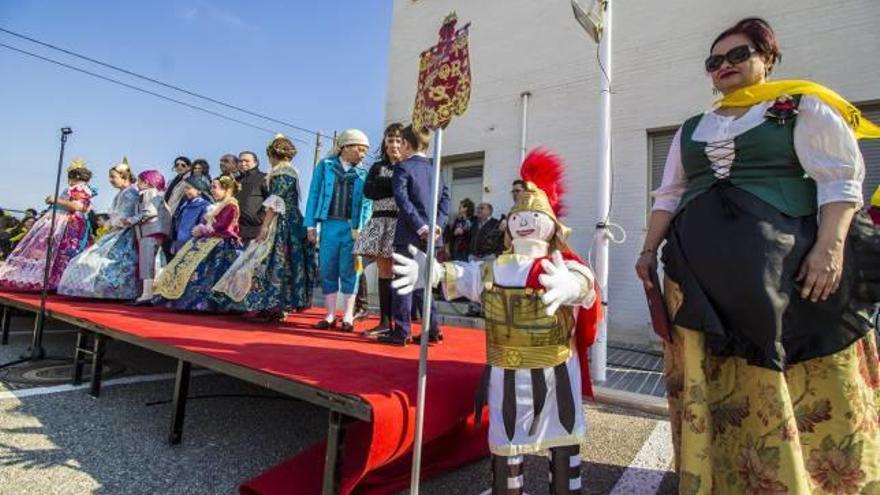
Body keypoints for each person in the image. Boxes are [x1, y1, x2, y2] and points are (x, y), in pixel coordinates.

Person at [634, 18, 880, 493]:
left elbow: (839, 180)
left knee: (793, 369)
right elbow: (668, 196)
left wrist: (829, 250)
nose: (724, 66)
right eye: (714, 61)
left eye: (738, 55)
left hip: (785, 279)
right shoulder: (693, 129)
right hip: (697, 283)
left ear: (767, 59)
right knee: (717, 379)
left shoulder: (801, 105)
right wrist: (647, 252)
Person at [392, 149, 602, 494]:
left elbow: (585, 285)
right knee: (506, 438)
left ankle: (566, 488)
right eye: (519, 214)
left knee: (562, 434)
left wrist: (570, 285)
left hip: (556, 370)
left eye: (534, 214)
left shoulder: (560, 262)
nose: (525, 220)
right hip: (506, 370)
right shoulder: (498, 267)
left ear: (552, 226)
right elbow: (465, 276)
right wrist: (432, 272)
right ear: (510, 225)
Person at [214, 134, 315, 321]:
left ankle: (271, 305)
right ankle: (275, 305)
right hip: (293, 221)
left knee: (269, 261)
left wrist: (265, 226)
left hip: (282, 223)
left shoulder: (281, 172)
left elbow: (275, 202)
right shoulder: (291, 171)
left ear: (272, 155)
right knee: (284, 263)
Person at [378, 125, 449, 346]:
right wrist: (436, 226)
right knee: (425, 285)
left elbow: (402, 199)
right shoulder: (436, 169)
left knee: (404, 283)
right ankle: (433, 330)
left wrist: (420, 226)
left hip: (409, 234)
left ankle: (402, 331)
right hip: (433, 237)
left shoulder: (403, 167)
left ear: (406, 144)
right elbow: (446, 201)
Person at [305, 129, 372, 332]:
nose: (363, 154)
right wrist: (311, 225)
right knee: (328, 268)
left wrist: (361, 227)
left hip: (351, 228)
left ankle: (349, 315)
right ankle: (330, 314)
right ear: (345, 147)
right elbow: (314, 194)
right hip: (329, 225)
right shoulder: (325, 167)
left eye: (365, 151)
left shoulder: (363, 173)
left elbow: (368, 203)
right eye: (360, 149)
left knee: (351, 269)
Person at [0, 160, 95, 291]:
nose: (69, 181)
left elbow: (78, 206)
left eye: (70, 178)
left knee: (58, 250)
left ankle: (55, 280)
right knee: (51, 250)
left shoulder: (79, 188)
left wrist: (55, 200)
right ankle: (51, 278)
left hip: (66, 221)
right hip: (64, 219)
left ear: (76, 177)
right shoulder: (79, 189)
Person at [154, 176, 242, 311]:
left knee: (209, 272)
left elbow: (225, 227)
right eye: (211, 187)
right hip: (209, 241)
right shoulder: (220, 204)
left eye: (215, 187)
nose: (211, 190)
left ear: (227, 189)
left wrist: (203, 231)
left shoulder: (231, 205)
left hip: (220, 244)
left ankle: (209, 304)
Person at [57, 161, 140, 300]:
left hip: (124, 232)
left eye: (113, 177)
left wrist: (110, 223)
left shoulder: (130, 192)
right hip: (117, 230)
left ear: (124, 177)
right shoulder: (123, 192)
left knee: (100, 260)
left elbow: (126, 215)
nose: (111, 180)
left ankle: (117, 292)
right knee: (87, 259)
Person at [354, 122, 405, 335]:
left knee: (401, 272)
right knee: (384, 271)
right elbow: (369, 191)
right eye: (390, 140)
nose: (394, 144)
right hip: (379, 221)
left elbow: (404, 191)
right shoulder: (376, 167)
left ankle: (401, 323)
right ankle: (385, 322)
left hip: (400, 223)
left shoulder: (408, 165)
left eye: (398, 140)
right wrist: (391, 184)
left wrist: (385, 184)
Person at [132, 170, 171, 304]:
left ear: (147, 182)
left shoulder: (149, 193)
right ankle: (150, 292)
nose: (137, 184)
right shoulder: (156, 194)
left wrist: (131, 220)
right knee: (153, 262)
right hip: (155, 231)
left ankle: (147, 294)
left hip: (150, 231)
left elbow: (149, 211)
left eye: (139, 181)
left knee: (146, 262)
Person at [464, 202, 504, 316]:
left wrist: (495, 254)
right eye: (478, 208)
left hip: (488, 257)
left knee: (487, 283)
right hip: (474, 257)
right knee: (473, 283)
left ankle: (485, 309)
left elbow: (499, 240)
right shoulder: (474, 223)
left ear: (489, 211)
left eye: (482, 208)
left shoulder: (496, 223)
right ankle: (474, 308)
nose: (478, 210)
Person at [168, 175, 212, 257]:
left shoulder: (204, 206)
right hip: (179, 244)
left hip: (191, 245)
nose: (185, 191)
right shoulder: (185, 205)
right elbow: (177, 225)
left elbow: (202, 226)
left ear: (199, 191)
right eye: (185, 188)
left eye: (188, 188)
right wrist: (174, 242)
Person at [235, 150, 269, 244]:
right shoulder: (235, 180)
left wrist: (260, 218)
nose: (243, 163)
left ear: (256, 162)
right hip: (235, 231)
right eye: (240, 161)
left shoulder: (264, 178)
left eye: (246, 161)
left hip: (255, 230)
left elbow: (270, 200)